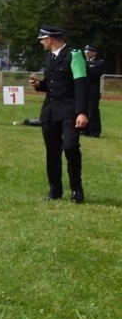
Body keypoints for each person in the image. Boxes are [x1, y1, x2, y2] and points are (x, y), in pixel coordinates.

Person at [30, 25, 88, 202]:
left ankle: (76, 190)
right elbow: (52, 84)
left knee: (70, 147)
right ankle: (55, 190)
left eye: (42, 39)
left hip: (70, 111)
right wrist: (40, 85)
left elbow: (80, 85)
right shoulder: (49, 58)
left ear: (50, 39)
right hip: (50, 112)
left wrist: (82, 112)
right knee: (52, 152)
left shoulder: (74, 55)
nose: (41, 43)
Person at [82, 45, 103, 137]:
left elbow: (96, 74)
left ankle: (94, 131)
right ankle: (84, 130)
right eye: (85, 52)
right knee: (83, 111)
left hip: (92, 92)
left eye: (89, 52)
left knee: (93, 112)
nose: (86, 53)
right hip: (83, 91)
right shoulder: (83, 62)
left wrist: (85, 67)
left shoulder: (99, 62)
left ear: (94, 53)